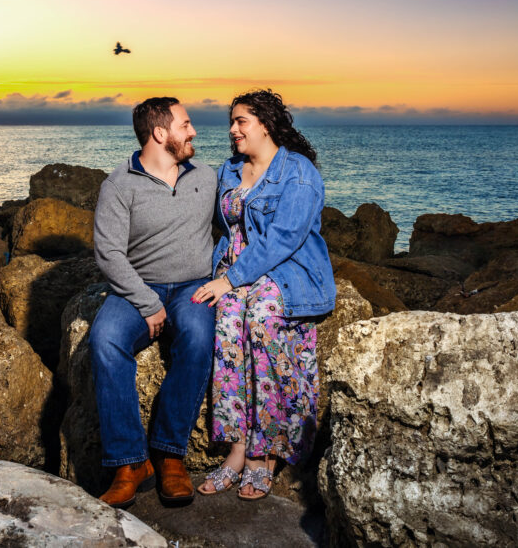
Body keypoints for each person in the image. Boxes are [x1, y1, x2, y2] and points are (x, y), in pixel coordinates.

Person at [191, 89, 335, 500]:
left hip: (286, 271)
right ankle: (237, 447)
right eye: (231, 122)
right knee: (226, 318)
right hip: (237, 272)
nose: (233, 130)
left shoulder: (299, 172)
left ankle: (265, 451)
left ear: (266, 124)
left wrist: (231, 278)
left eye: (241, 121)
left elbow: (284, 238)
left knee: (260, 316)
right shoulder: (231, 169)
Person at [90, 96, 218, 509]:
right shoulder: (119, 185)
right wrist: (147, 303)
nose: (193, 131)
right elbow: (108, 253)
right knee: (105, 339)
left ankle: (168, 454)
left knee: (198, 336)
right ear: (160, 133)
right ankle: (130, 463)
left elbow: (242, 215)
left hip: (194, 285)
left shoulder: (207, 177)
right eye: (186, 124)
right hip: (138, 286)